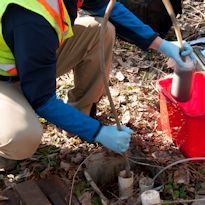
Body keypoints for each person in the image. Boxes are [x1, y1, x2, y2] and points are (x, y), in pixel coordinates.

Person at [0, 0, 194, 171]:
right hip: (6, 78)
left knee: (102, 29)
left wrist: (161, 44)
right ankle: (7, 146)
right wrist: (98, 132)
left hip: (29, 56)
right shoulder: (29, 16)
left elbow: (106, 7)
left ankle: (77, 117)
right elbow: (41, 99)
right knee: (22, 137)